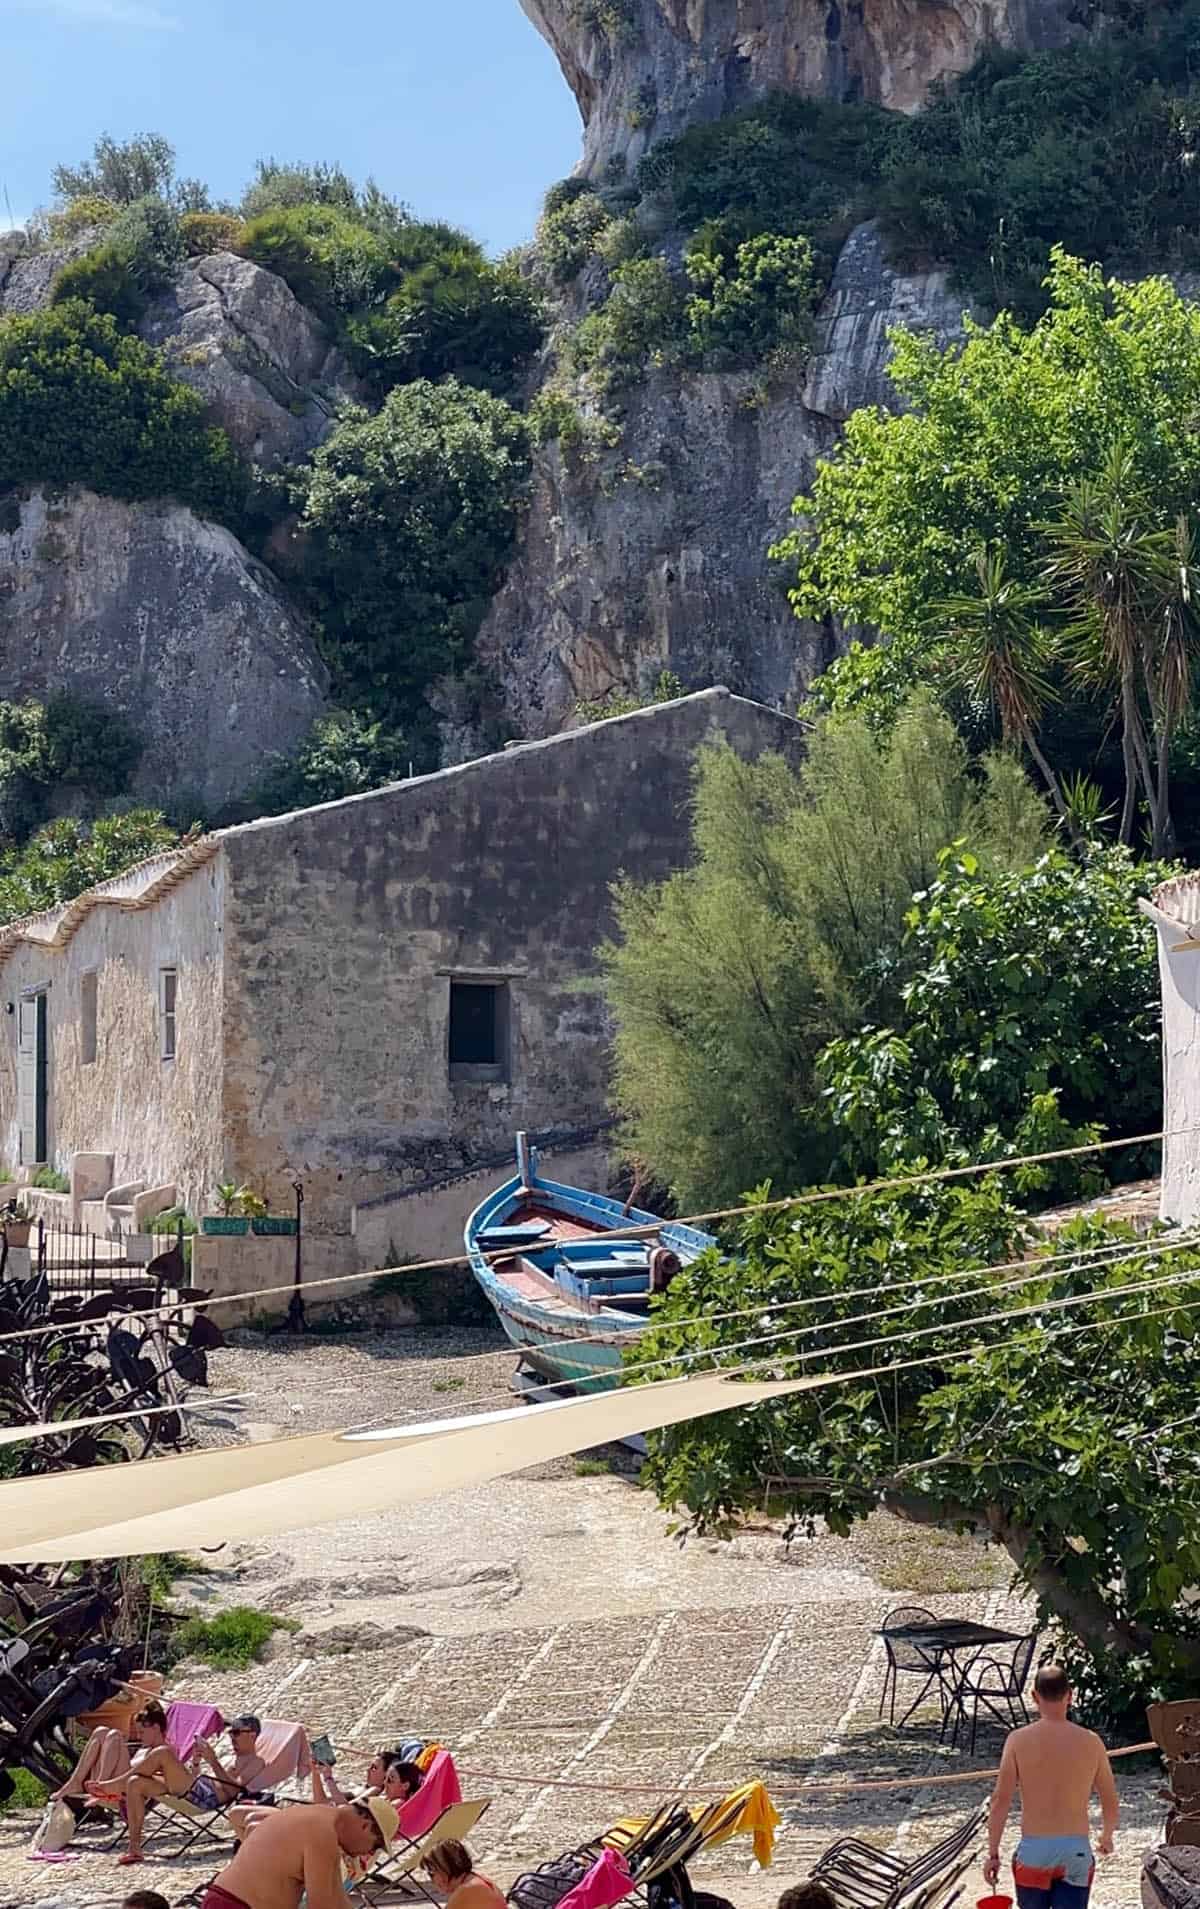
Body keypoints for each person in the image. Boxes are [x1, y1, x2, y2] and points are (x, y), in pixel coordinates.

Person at [985, 1662, 1120, 1909]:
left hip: (1034, 1850)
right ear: (1070, 1695)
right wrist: (1106, 1836)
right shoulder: (1091, 1742)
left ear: (1034, 1697)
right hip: (1076, 1850)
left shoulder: (1017, 1741)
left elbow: (1000, 1800)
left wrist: (993, 1853)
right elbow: (1109, 1799)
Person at [200, 1795, 397, 1909]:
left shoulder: (322, 1820)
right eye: (374, 1846)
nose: (367, 1853)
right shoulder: (322, 1832)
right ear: (365, 1826)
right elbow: (322, 1905)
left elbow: (337, 1897)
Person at [421, 1839, 507, 1909]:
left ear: (445, 1868)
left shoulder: (466, 1890)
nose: (432, 1879)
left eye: (431, 1872)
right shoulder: (478, 1880)